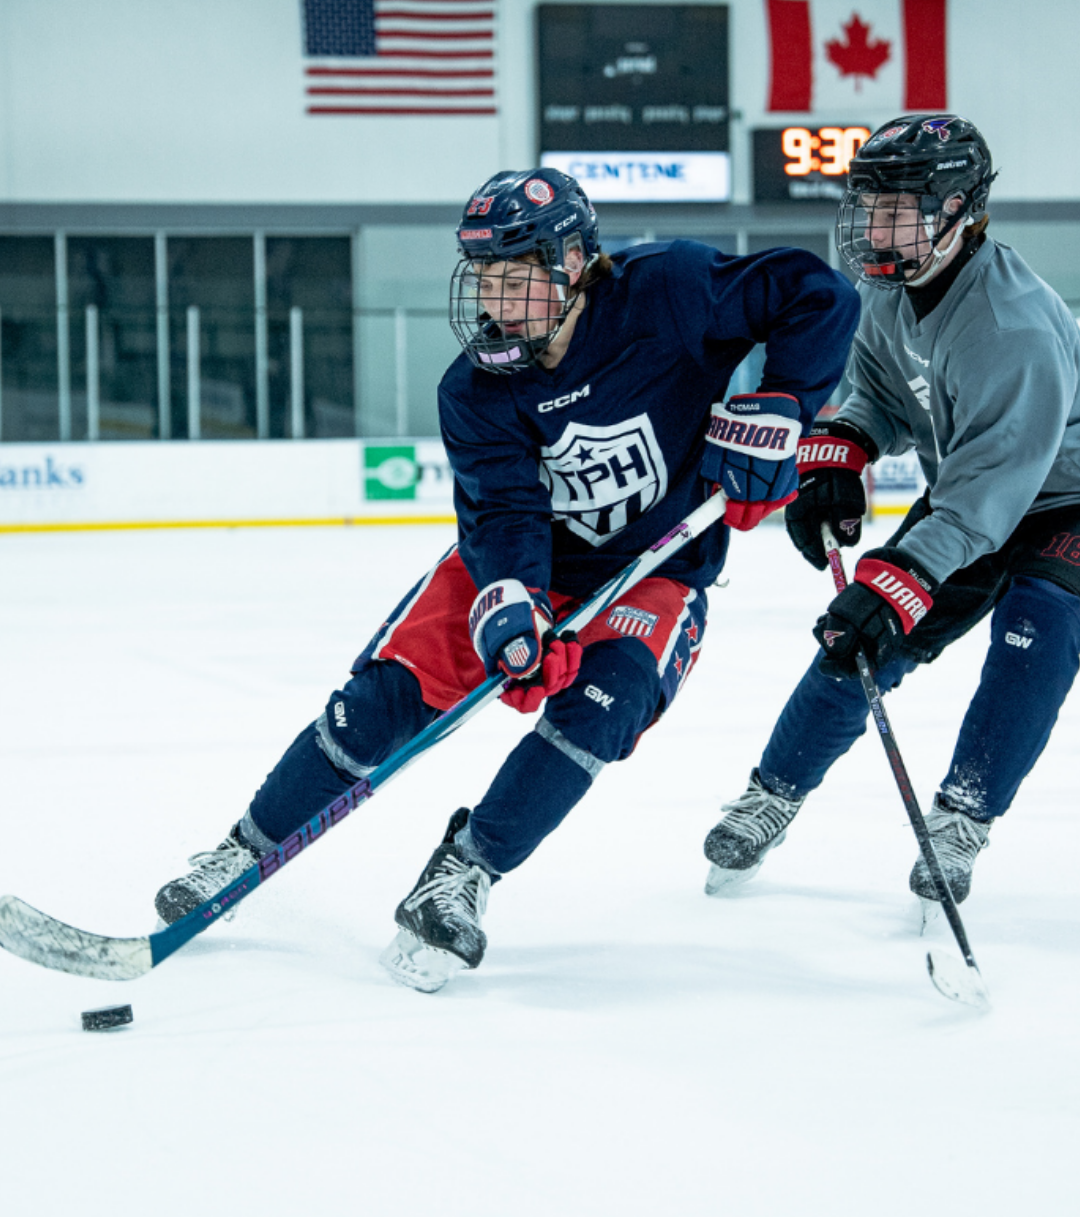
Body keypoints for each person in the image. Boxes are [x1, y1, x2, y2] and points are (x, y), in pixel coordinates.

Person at [153, 167, 859, 991]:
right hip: (521, 565)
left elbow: (820, 296)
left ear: (574, 264)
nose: (495, 297)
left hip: (652, 573)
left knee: (605, 703)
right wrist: (513, 604)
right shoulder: (476, 389)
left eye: (516, 275)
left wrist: (782, 404)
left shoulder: (668, 290)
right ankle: (241, 851)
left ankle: (465, 874)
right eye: (484, 275)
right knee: (382, 701)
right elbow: (501, 514)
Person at [703, 114, 1080, 914]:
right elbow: (879, 391)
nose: (877, 225)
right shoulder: (891, 286)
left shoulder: (1011, 326)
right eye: (871, 204)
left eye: (900, 207)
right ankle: (772, 794)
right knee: (857, 640)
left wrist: (902, 574)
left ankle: (962, 818)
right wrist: (842, 448)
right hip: (971, 493)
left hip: (1061, 501)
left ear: (960, 211)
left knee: (1033, 632)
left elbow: (994, 486)